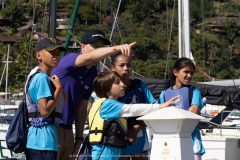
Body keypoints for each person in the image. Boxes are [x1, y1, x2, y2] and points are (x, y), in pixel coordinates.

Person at [51, 29, 136, 160]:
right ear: (82, 47)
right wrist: (117, 48)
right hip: (53, 126)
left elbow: (82, 106)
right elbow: (89, 57)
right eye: (95, 45)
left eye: (102, 46)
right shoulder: (70, 59)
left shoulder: (93, 72)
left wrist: (79, 137)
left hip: (68, 130)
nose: (99, 50)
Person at [89, 71, 178, 160]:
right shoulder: (108, 105)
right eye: (117, 82)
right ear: (107, 88)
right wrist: (162, 106)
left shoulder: (102, 104)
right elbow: (133, 109)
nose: (123, 84)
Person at [25, 38, 65, 160]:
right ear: (38, 56)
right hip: (42, 142)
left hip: (38, 140)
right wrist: (58, 89)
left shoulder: (36, 75)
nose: (56, 56)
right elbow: (45, 111)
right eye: (52, 52)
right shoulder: (42, 78)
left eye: (58, 53)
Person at [158, 57, 205, 160]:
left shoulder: (195, 92)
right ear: (175, 72)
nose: (189, 76)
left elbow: (194, 112)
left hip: (192, 142)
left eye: (192, 73)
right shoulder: (164, 94)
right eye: (186, 72)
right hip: (170, 142)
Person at [111, 52, 155, 160]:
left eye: (129, 65)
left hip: (140, 139)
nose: (126, 68)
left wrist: (136, 128)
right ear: (113, 67)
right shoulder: (109, 88)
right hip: (117, 140)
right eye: (122, 65)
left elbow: (154, 110)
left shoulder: (140, 85)